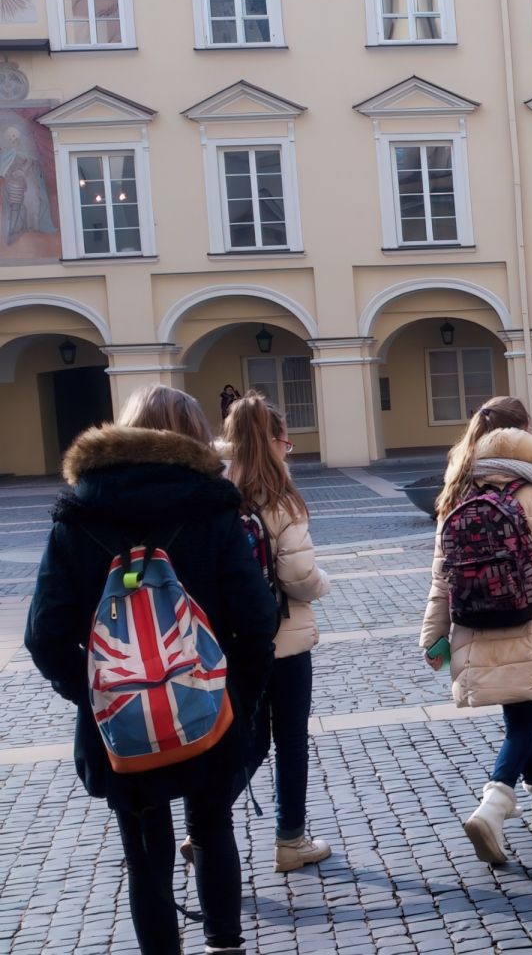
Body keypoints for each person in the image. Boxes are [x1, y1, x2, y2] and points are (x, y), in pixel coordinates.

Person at [25, 385, 276, 954]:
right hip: (207, 707)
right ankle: (225, 945)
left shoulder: (78, 513)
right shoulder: (212, 507)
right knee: (212, 827)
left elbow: (44, 635)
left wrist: (100, 696)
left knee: (144, 853)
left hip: (120, 722)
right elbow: (258, 620)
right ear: (193, 436)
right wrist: (233, 693)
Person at [420, 397, 532, 866]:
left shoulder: (457, 493)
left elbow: (441, 577)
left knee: (519, 713)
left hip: (474, 622)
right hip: (531, 618)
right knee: (524, 719)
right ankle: (493, 807)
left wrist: (433, 635)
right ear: (526, 433)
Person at [222, 393, 335, 871]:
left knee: (247, 740)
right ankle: (291, 841)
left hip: (232, 643)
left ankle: (205, 822)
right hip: (284, 638)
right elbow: (299, 577)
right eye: (285, 442)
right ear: (271, 442)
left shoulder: (216, 496)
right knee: (290, 739)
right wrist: (324, 583)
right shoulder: (281, 500)